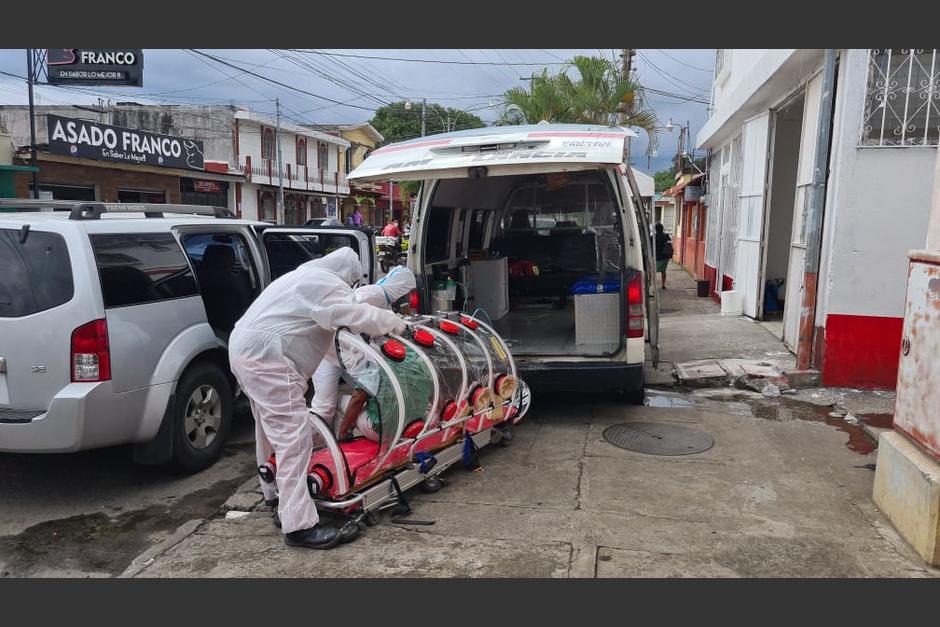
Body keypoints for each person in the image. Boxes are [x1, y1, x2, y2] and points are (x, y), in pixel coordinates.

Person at [228, 248, 406, 550]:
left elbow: (317, 336)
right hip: (268, 359)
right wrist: (395, 324)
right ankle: (299, 527)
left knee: (268, 429)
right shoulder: (325, 285)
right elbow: (355, 314)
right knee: (294, 440)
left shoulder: (299, 278)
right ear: (348, 277)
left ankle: (274, 496)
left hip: (244, 350)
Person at [309, 266, 416, 435]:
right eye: (408, 292)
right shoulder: (369, 295)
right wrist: (396, 325)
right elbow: (370, 319)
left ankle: (340, 441)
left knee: (363, 394)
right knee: (325, 406)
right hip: (329, 353)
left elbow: (380, 326)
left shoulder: (384, 301)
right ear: (401, 289)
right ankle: (315, 443)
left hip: (348, 353)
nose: (408, 297)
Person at [654, 223, 673, 290]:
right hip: (665, 256)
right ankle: (663, 284)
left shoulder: (653, 237)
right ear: (662, 229)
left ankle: (653, 284)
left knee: (653, 271)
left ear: (656, 229)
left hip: (656, 256)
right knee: (663, 271)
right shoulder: (666, 236)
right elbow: (670, 243)